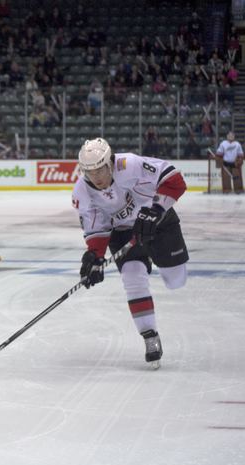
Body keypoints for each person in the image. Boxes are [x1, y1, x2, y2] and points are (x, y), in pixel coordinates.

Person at [72, 138, 189, 368]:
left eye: (99, 170)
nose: (95, 177)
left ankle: (159, 259)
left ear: (109, 163)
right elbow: (96, 229)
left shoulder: (130, 164)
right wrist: (94, 257)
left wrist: (155, 209)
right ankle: (150, 336)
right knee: (132, 276)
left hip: (160, 222)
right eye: (89, 171)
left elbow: (175, 181)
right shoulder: (82, 191)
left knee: (176, 281)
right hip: (124, 234)